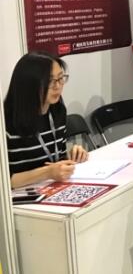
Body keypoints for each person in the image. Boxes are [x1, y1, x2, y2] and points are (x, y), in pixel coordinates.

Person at [4, 52, 88, 189]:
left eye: (60, 78)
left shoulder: (58, 111)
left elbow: (56, 159)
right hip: (22, 197)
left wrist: (72, 155)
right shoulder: (6, 124)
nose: (58, 86)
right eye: (50, 81)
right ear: (29, 84)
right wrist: (47, 172)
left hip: (52, 189)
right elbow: (6, 180)